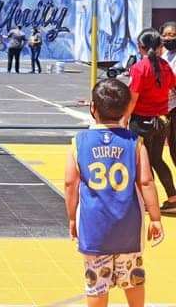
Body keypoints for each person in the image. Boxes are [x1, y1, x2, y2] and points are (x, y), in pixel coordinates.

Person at [65, 79, 163, 307]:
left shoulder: (78, 143)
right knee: (133, 280)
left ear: (93, 108)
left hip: (94, 228)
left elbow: (70, 184)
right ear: (128, 108)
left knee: (97, 283)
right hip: (129, 226)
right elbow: (147, 181)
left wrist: (71, 218)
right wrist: (156, 218)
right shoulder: (135, 143)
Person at [124, 29, 176, 213]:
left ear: (141, 47)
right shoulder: (165, 66)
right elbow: (173, 86)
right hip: (162, 120)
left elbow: (133, 98)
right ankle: (172, 197)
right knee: (157, 159)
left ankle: (146, 201)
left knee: (141, 162)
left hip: (141, 121)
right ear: (159, 47)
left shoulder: (139, 68)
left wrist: (124, 120)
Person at [161, 21, 176, 193]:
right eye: (165, 35)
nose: (168, 38)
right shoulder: (165, 56)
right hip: (169, 108)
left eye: (172, 35)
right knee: (173, 148)